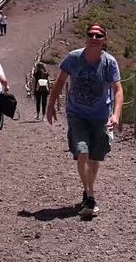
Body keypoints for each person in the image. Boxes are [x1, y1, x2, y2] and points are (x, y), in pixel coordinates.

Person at [46, 22, 122, 218]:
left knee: (95, 159)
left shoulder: (109, 63)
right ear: (86, 37)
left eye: (99, 35)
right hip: (76, 114)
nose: (94, 38)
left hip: (100, 116)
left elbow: (118, 90)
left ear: (104, 40)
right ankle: (90, 197)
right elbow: (60, 81)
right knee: (82, 152)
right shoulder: (74, 58)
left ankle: (87, 191)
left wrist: (116, 114)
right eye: (91, 34)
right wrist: (50, 105)